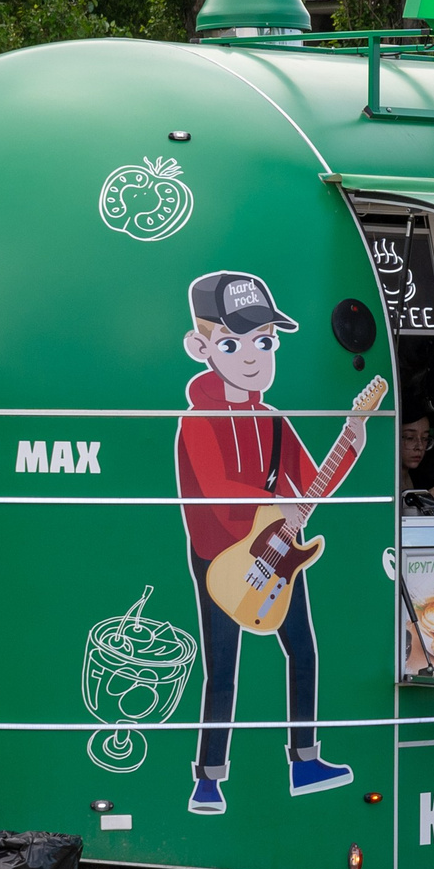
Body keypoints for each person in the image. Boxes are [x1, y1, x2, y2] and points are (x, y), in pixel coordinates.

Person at [175, 271, 368, 816]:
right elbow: (214, 493)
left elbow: (311, 485)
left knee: (303, 651)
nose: (253, 356)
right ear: (202, 347)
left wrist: (350, 444)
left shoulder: (274, 420)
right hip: (219, 559)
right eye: (233, 343)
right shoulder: (197, 422)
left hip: (281, 551)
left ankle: (305, 761)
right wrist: (273, 507)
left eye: (264, 341)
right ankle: (209, 778)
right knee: (222, 666)